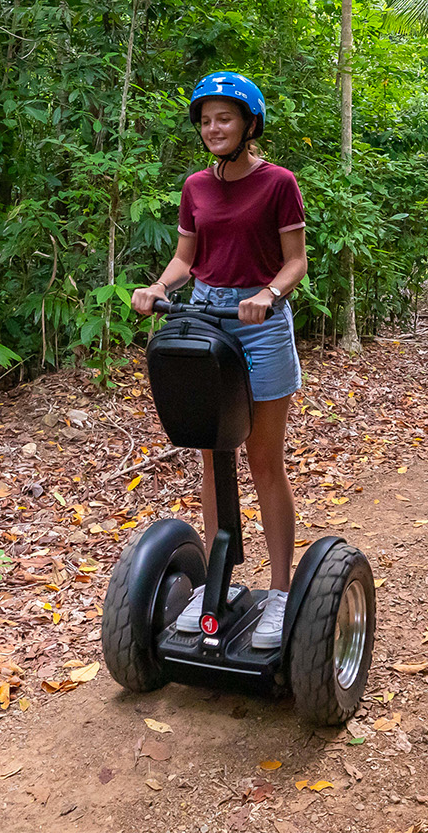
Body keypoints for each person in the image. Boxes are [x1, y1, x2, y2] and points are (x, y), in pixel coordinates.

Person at [130, 71, 307, 650]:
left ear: (249, 123)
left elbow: (295, 262)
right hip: (205, 319)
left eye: (224, 118)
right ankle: (217, 585)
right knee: (211, 456)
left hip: (258, 322)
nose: (213, 128)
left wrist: (268, 295)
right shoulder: (194, 187)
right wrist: (157, 287)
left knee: (262, 459)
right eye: (205, 119)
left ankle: (280, 592)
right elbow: (187, 257)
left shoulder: (279, 182)